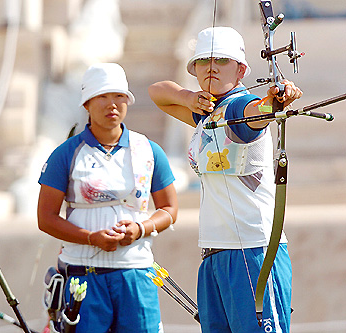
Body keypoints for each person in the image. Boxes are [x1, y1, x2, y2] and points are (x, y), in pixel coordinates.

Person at [149, 27, 302, 333]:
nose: (211, 67)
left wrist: (276, 100)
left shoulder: (237, 108)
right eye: (203, 61)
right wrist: (188, 97)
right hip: (213, 255)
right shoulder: (205, 112)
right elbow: (157, 92)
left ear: (241, 69)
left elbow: (258, 111)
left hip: (252, 252)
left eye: (221, 60)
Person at [37, 63, 178, 333]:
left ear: (127, 101)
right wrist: (91, 238)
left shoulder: (149, 150)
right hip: (82, 275)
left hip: (137, 273)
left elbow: (170, 208)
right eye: (102, 96)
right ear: (87, 103)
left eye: (118, 96)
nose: (111, 104)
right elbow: (45, 218)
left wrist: (140, 229)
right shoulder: (66, 153)